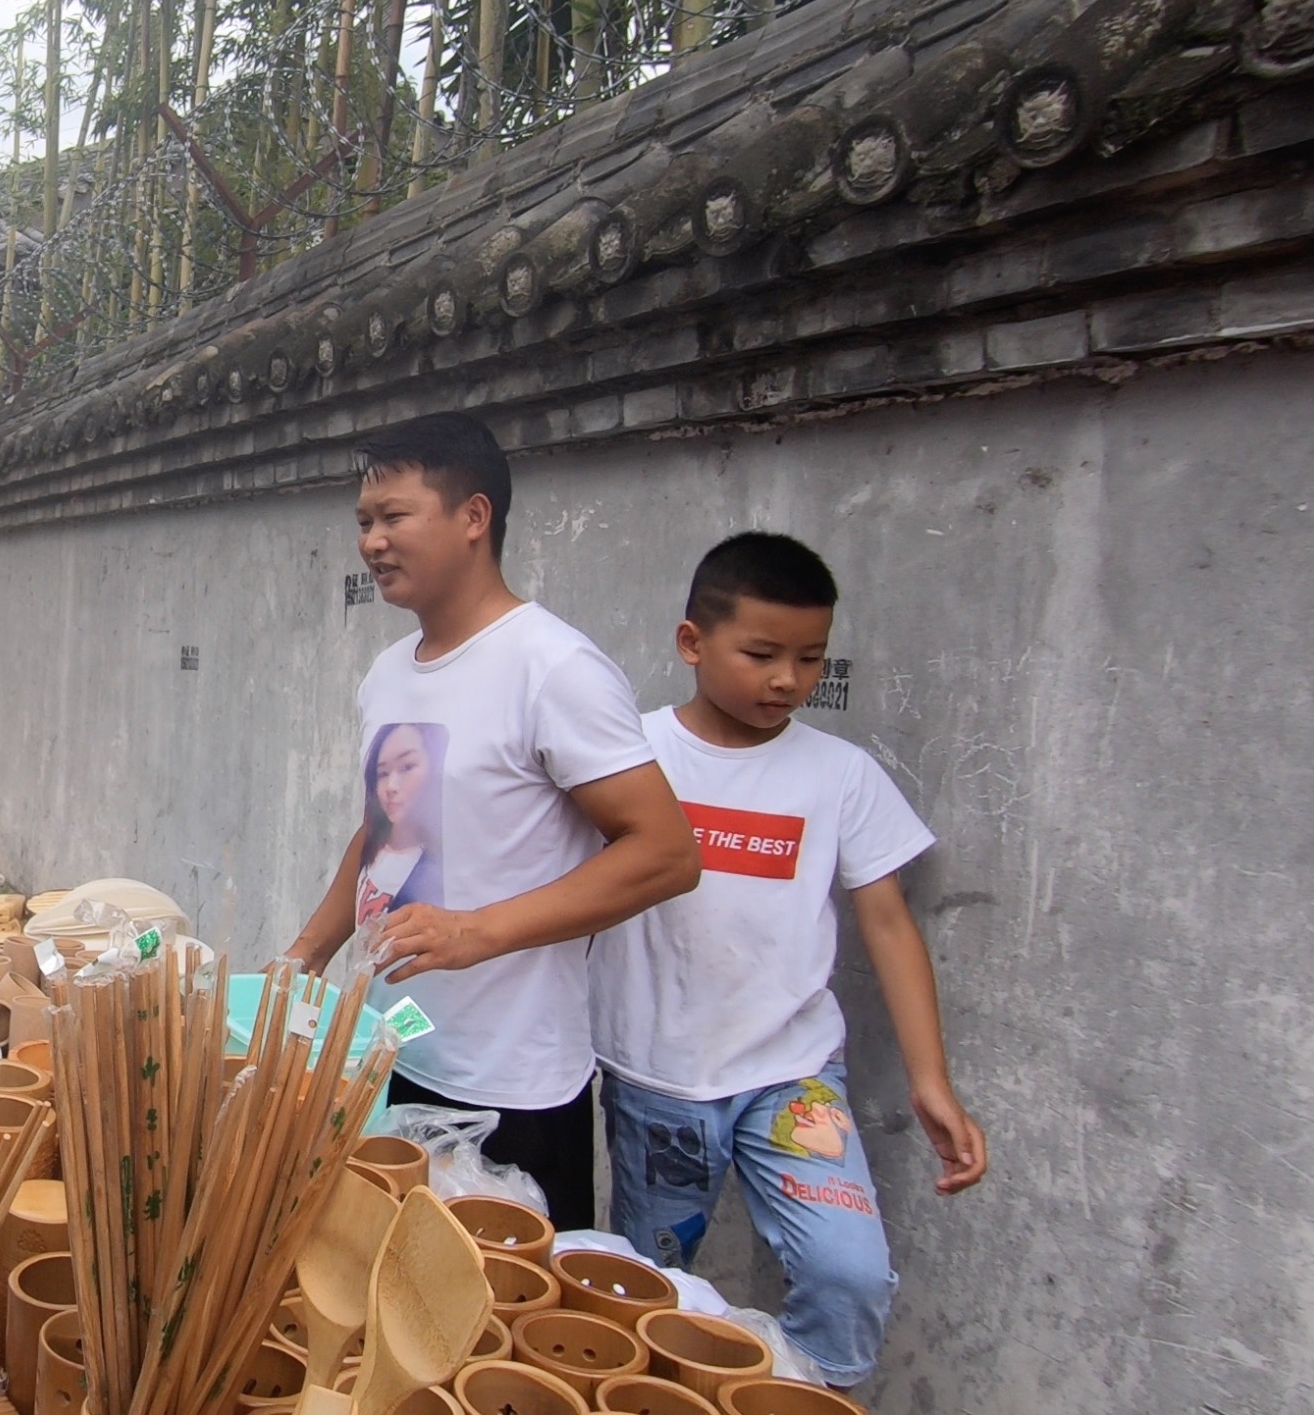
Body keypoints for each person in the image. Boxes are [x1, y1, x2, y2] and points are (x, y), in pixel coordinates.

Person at [279, 413, 699, 1229]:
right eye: (364, 522)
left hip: (513, 1086)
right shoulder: (387, 674)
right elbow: (381, 836)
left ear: (474, 517)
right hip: (388, 1056)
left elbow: (665, 854)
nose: (372, 542)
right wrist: (304, 957)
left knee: (502, 1333)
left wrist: (479, 932)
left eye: (395, 517)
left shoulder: (553, 668)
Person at [590, 532, 988, 1386]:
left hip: (794, 1077)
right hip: (658, 1080)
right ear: (691, 642)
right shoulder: (632, 755)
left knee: (850, 1275)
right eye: (763, 654)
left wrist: (931, 1082)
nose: (788, 680)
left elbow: (887, 924)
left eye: (811, 659)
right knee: (656, 1295)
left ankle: (802, 1397)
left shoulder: (839, 775)